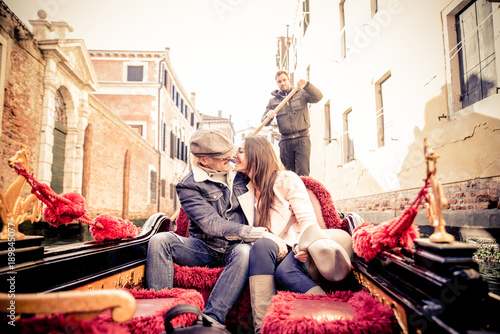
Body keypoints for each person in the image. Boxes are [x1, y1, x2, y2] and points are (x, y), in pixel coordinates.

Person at [145, 128, 268, 326]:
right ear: (204, 160)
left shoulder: (240, 172)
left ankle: (211, 320)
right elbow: (210, 223)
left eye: (231, 154)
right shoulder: (188, 185)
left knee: (245, 251)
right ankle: (162, 317)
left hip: (235, 249)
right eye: (224, 158)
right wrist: (250, 232)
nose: (231, 159)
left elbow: (268, 173)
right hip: (204, 249)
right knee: (160, 240)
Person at [234, 135, 353, 333]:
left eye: (240, 151)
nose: (234, 155)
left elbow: (307, 220)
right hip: (269, 248)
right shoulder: (243, 187)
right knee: (262, 245)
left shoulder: (286, 179)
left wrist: (301, 246)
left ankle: (331, 311)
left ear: (257, 154)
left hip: (295, 245)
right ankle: (262, 328)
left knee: (285, 272)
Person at [262, 70, 323, 176]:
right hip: (286, 143)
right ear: (277, 84)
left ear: (289, 80)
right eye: (279, 81)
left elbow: (318, 97)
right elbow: (264, 122)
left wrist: (307, 85)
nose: (282, 83)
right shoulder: (273, 102)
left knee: (303, 174)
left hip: (302, 139)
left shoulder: (301, 94)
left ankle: (303, 193)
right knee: (288, 175)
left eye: (284, 80)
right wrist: (269, 116)